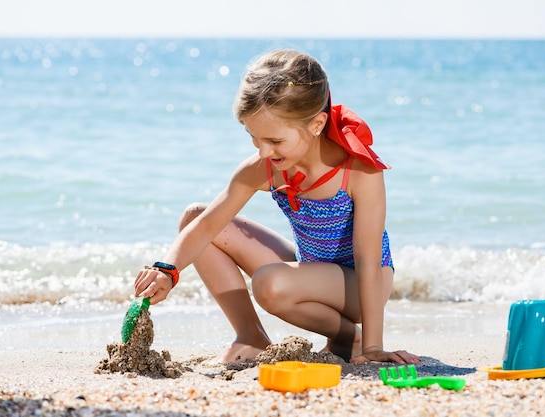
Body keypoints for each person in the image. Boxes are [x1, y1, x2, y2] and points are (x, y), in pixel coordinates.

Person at [134, 49, 420, 365]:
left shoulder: (358, 172)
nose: (264, 150)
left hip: (365, 285)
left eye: (275, 141)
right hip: (311, 269)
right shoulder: (264, 167)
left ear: (317, 124)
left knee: (269, 283)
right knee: (195, 216)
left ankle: (347, 339)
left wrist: (373, 348)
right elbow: (205, 227)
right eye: (254, 138)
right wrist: (167, 270)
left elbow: (367, 260)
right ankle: (251, 336)